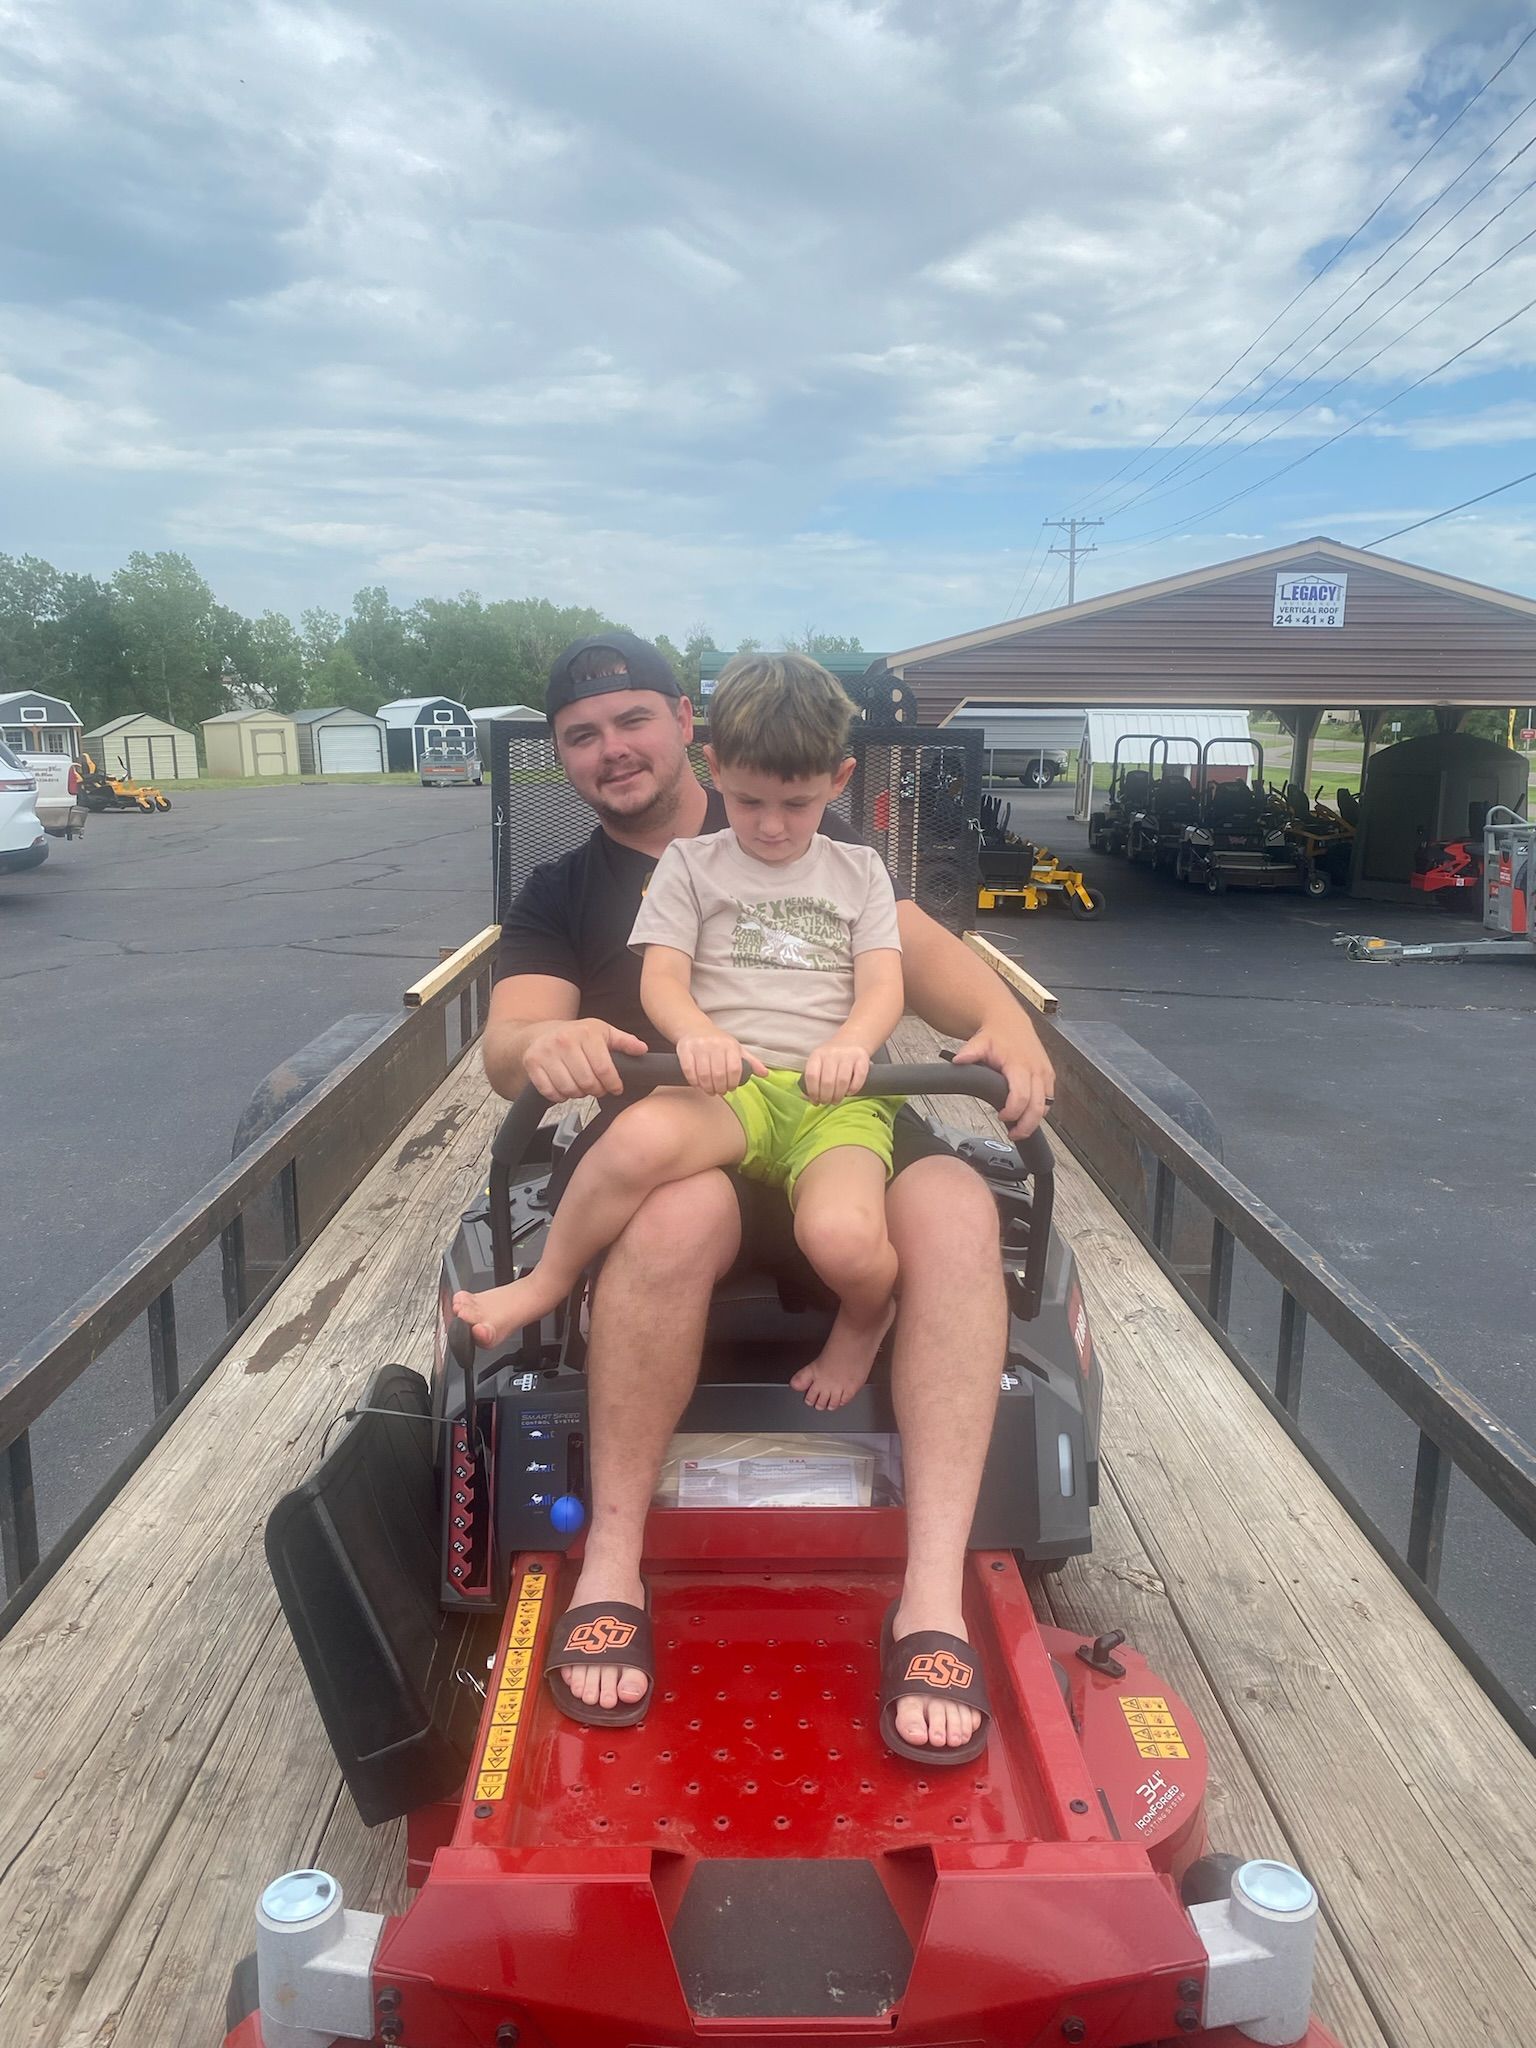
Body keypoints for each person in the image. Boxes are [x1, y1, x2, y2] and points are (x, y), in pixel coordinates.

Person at [483, 631, 1055, 1760]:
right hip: (689, 1139)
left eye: (631, 720)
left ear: (685, 720)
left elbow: (938, 969)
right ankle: (612, 1562)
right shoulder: (562, 890)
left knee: (956, 1212)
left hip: (834, 1121)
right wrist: (551, 1040)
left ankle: (931, 1597)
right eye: (582, 737)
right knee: (677, 1210)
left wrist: (1012, 1026)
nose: (612, 750)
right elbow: (509, 1043)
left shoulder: (810, 839)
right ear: (562, 759)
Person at [456, 656, 906, 1410]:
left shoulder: (860, 869)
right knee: (629, 1141)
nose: (768, 826)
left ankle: (866, 1317)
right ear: (717, 768)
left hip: (836, 1098)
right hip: (736, 1085)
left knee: (847, 1239)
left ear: (837, 781)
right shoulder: (688, 868)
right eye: (750, 801)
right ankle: (547, 1280)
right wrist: (696, 1035)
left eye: (794, 805)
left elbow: (886, 984)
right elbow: (661, 979)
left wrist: (853, 1043)